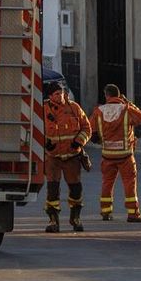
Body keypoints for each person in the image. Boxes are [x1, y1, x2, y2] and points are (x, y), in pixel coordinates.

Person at [90, 83, 141, 222]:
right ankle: (133, 213)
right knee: (129, 183)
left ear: (106, 95)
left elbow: (91, 129)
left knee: (107, 183)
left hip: (107, 155)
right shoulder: (126, 109)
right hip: (125, 155)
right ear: (119, 95)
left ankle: (105, 212)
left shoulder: (99, 111)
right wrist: (129, 103)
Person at [43, 80, 91, 233]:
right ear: (50, 96)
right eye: (57, 94)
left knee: (76, 189)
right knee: (52, 190)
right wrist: (45, 143)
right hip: (53, 157)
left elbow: (86, 127)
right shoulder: (43, 110)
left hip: (72, 156)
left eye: (62, 92)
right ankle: (53, 221)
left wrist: (79, 142)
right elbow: (34, 129)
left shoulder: (74, 108)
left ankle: (75, 218)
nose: (61, 96)